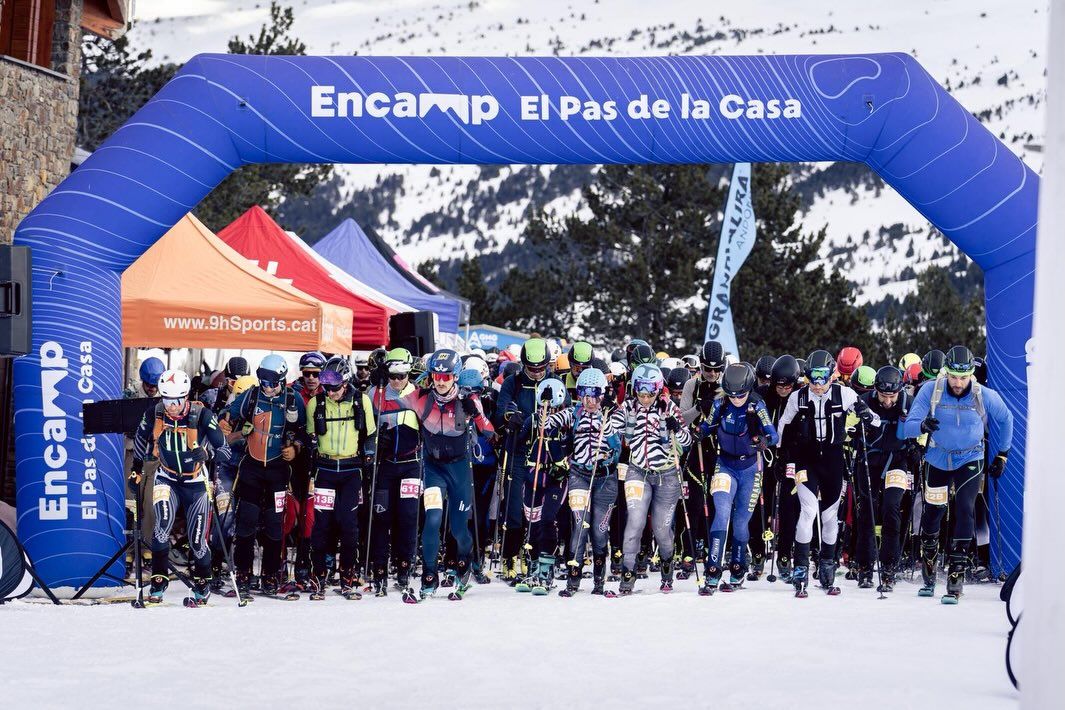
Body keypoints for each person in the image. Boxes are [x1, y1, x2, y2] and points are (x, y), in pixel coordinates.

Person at [902, 345, 1013, 604]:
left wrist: (1002, 454)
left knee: (966, 509)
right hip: (938, 457)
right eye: (953, 376)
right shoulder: (931, 390)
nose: (958, 382)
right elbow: (907, 426)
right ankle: (929, 566)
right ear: (946, 373)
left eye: (963, 377)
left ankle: (956, 574)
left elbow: (1006, 418)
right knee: (934, 513)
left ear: (971, 374)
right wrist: (921, 425)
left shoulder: (982, 394)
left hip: (970, 458)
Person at [394, 349, 495, 600]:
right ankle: (429, 576)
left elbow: (489, 430)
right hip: (434, 469)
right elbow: (389, 396)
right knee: (433, 520)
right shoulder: (421, 398)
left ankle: (464, 564)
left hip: (459, 470)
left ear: (456, 376)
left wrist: (478, 414)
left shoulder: (466, 399)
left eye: (446, 376)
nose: (440, 381)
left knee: (459, 529)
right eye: (436, 375)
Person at [777, 350, 879, 597]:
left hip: (833, 460)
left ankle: (827, 565)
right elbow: (781, 428)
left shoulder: (844, 394)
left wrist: (867, 416)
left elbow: (874, 420)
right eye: (813, 377)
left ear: (832, 375)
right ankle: (801, 567)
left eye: (823, 377)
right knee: (808, 511)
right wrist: (779, 456)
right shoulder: (797, 397)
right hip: (806, 460)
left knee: (830, 516)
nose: (818, 384)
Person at [131, 369, 231, 605]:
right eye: (166, 400)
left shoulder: (202, 415)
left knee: (197, 541)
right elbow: (140, 437)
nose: (171, 406)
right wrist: (136, 471)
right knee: (161, 529)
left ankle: (203, 582)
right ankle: (158, 582)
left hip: (195, 482)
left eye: (176, 401)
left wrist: (207, 452)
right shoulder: (155, 412)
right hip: (166, 478)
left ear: (185, 397)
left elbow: (225, 451)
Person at [219, 354, 307, 598]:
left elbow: (303, 432)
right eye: (263, 382)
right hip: (252, 467)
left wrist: (295, 448)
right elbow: (229, 412)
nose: (267, 388)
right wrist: (225, 422)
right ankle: (244, 575)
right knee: (246, 522)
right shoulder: (252, 395)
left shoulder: (293, 398)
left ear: (281, 379)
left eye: (272, 383)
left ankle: (270, 575)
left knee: (274, 525)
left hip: (278, 470)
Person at [610, 363, 691, 594]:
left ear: (658, 390)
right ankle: (628, 571)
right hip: (637, 472)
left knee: (661, 529)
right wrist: (605, 411)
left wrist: (677, 428)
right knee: (634, 522)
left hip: (666, 476)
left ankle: (666, 562)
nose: (645, 399)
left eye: (650, 394)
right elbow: (609, 429)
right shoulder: (627, 407)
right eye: (641, 393)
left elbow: (686, 441)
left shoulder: (669, 408)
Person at [699, 363, 779, 594]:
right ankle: (712, 569)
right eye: (732, 395)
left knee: (741, 521)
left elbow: (773, 434)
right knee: (722, 514)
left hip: (750, 468)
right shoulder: (720, 403)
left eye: (741, 395)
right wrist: (699, 432)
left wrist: (765, 442)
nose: (736, 399)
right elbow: (708, 425)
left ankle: (737, 566)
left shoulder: (757, 405)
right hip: (724, 465)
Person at [547, 367, 621, 597]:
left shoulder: (612, 413)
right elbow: (547, 423)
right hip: (579, 475)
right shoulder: (574, 412)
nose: (589, 401)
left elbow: (616, 443)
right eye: (584, 394)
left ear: (602, 394)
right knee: (579, 527)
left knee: (599, 531)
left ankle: (599, 578)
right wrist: (546, 407)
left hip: (606, 479)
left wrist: (605, 417)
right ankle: (573, 578)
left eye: (594, 394)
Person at [305, 366, 377, 600]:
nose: (330, 392)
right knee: (321, 526)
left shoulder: (361, 401)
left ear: (345, 383)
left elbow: (370, 433)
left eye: (335, 388)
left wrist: (369, 453)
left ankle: (348, 575)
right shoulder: (316, 404)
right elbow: (309, 436)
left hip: (350, 470)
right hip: (325, 470)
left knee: (349, 524)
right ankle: (319, 575)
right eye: (326, 388)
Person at [494, 338, 560, 583]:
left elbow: (564, 409)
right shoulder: (513, 382)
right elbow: (501, 411)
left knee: (539, 508)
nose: (536, 373)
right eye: (531, 369)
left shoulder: (554, 383)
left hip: (545, 453)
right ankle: (510, 554)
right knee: (513, 505)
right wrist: (511, 417)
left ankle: (532, 554)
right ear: (523, 365)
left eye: (541, 368)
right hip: (518, 450)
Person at [366, 348, 423, 595]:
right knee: (381, 518)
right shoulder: (374, 393)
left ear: (409, 372)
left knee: (408, 517)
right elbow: (365, 430)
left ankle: (403, 567)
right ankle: (379, 569)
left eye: (402, 375)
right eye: (392, 375)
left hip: (411, 464)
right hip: (386, 465)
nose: (397, 381)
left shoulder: (420, 395)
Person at [852, 365, 913, 591]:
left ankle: (889, 566)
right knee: (867, 510)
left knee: (891, 508)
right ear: (875, 389)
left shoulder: (908, 402)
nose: (888, 401)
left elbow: (920, 427)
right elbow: (847, 427)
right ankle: (865, 567)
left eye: (892, 396)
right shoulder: (864, 400)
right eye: (883, 396)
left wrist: (917, 445)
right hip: (869, 460)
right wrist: (856, 432)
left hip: (896, 461)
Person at [514, 377, 570, 594]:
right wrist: (515, 426)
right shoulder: (534, 419)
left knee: (548, 519)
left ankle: (547, 570)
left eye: (555, 407)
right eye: (548, 406)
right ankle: (533, 566)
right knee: (532, 522)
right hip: (533, 476)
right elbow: (519, 443)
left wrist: (561, 460)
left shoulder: (566, 421)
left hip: (556, 477)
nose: (550, 410)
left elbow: (570, 448)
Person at [750, 354, 801, 581]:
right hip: (763, 455)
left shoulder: (800, 397)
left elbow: (803, 432)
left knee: (789, 507)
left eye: (788, 385)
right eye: (779, 385)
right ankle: (758, 554)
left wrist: (789, 457)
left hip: (789, 458)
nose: (784, 390)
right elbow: (751, 423)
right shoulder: (761, 395)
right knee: (759, 503)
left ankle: (784, 556)